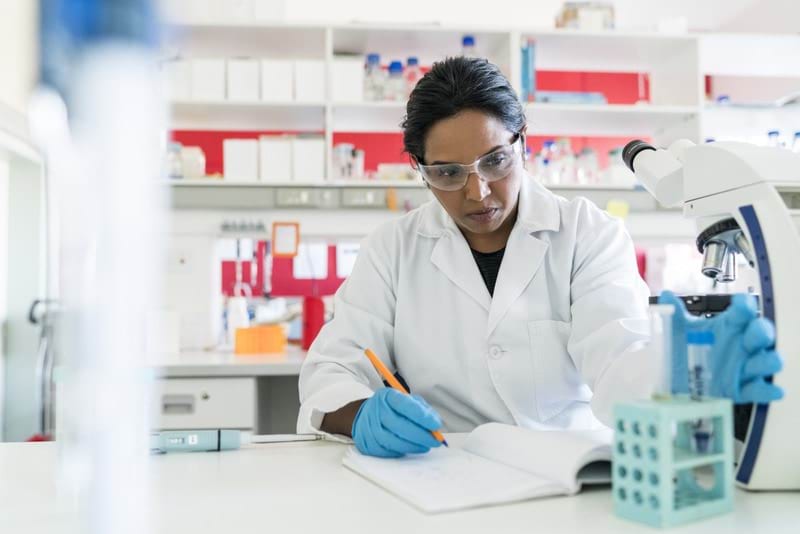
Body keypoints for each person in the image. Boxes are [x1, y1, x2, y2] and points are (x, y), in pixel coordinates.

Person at [297, 57, 783, 458]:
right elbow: (331, 370)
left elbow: (620, 358)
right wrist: (362, 414)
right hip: (441, 470)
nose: (477, 191)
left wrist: (685, 369)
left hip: (567, 471)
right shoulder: (394, 249)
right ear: (419, 170)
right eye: (448, 173)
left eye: (495, 161)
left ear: (523, 140)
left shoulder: (588, 234)